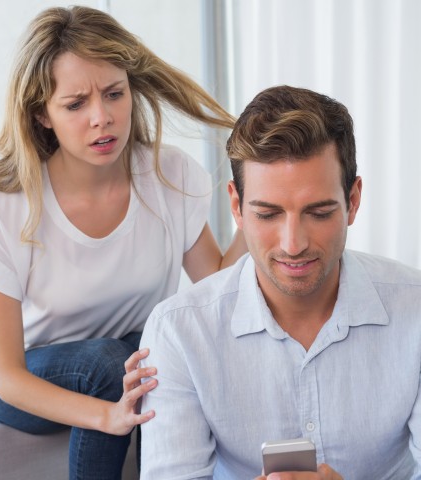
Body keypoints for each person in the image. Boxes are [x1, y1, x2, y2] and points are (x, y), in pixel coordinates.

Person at [0, 6, 247, 480]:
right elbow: (7, 377)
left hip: (120, 360)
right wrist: (108, 415)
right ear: (42, 115)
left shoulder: (168, 176)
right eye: (75, 105)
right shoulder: (5, 215)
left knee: (162, 348)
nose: (102, 118)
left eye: (114, 94)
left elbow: (214, 286)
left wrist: (257, 208)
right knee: (112, 365)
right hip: (14, 382)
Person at [139, 85, 421, 479]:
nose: (294, 245)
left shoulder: (415, 313)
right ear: (237, 207)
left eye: (319, 213)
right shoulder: (179, 332)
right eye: (268, 214)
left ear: (352, 201)